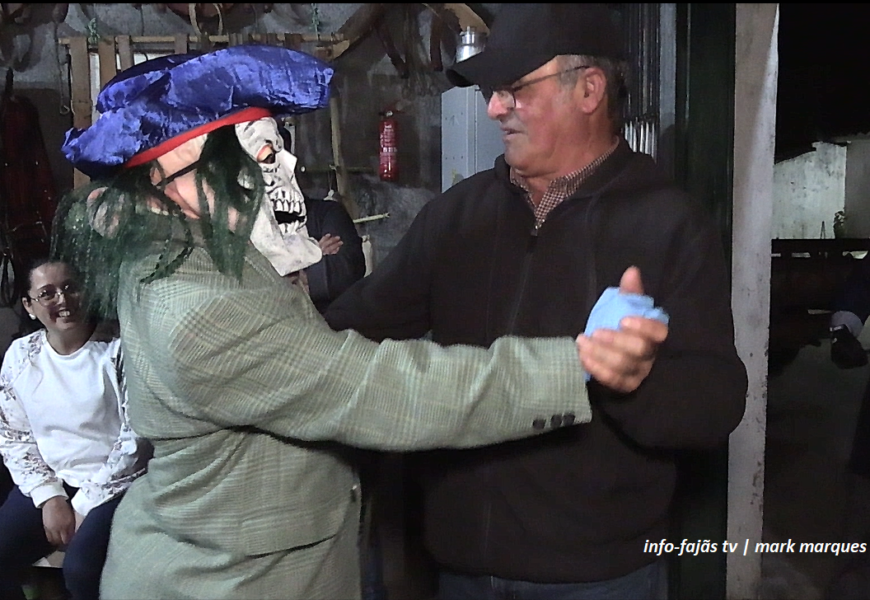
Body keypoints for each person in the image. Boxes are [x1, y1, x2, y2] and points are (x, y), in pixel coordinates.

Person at [47, 44, 640, 600]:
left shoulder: (182, 249)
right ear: (166, 180)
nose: (284, 169)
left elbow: (334, 326)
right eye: (258, 154)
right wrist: (575, 364)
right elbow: (379, 388)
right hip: (228, 581)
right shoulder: (199, 308)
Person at [324, 4, 749, 600]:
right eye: (493, 91)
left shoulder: (668, 224)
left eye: (516, 88)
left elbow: (716, 403)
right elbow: (351, 329)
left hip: (597, 577)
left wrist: (635, 381)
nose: (495, 108)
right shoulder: (457, 217)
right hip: (460, 566)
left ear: (589, 90)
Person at [0, 257, 149, 600]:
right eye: (47, 293)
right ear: (29, 306)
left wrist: (84, 504)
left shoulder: (117, 348)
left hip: (114, 486)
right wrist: (49, 496)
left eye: (70, 287)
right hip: (54, 480)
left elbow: (136, 437)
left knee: (81, 570)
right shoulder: (21, 356)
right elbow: (14, 436)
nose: (63, 300)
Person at [304, 194, 367, 314]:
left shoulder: (328, 212)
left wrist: (288, 276)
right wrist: (313, 257)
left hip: (330, 319)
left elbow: (344, 272)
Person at [829, 253, 870, 369]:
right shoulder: (843, 328)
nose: (860, 344)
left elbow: (862, 279)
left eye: (858, 347)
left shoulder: (846, 311)